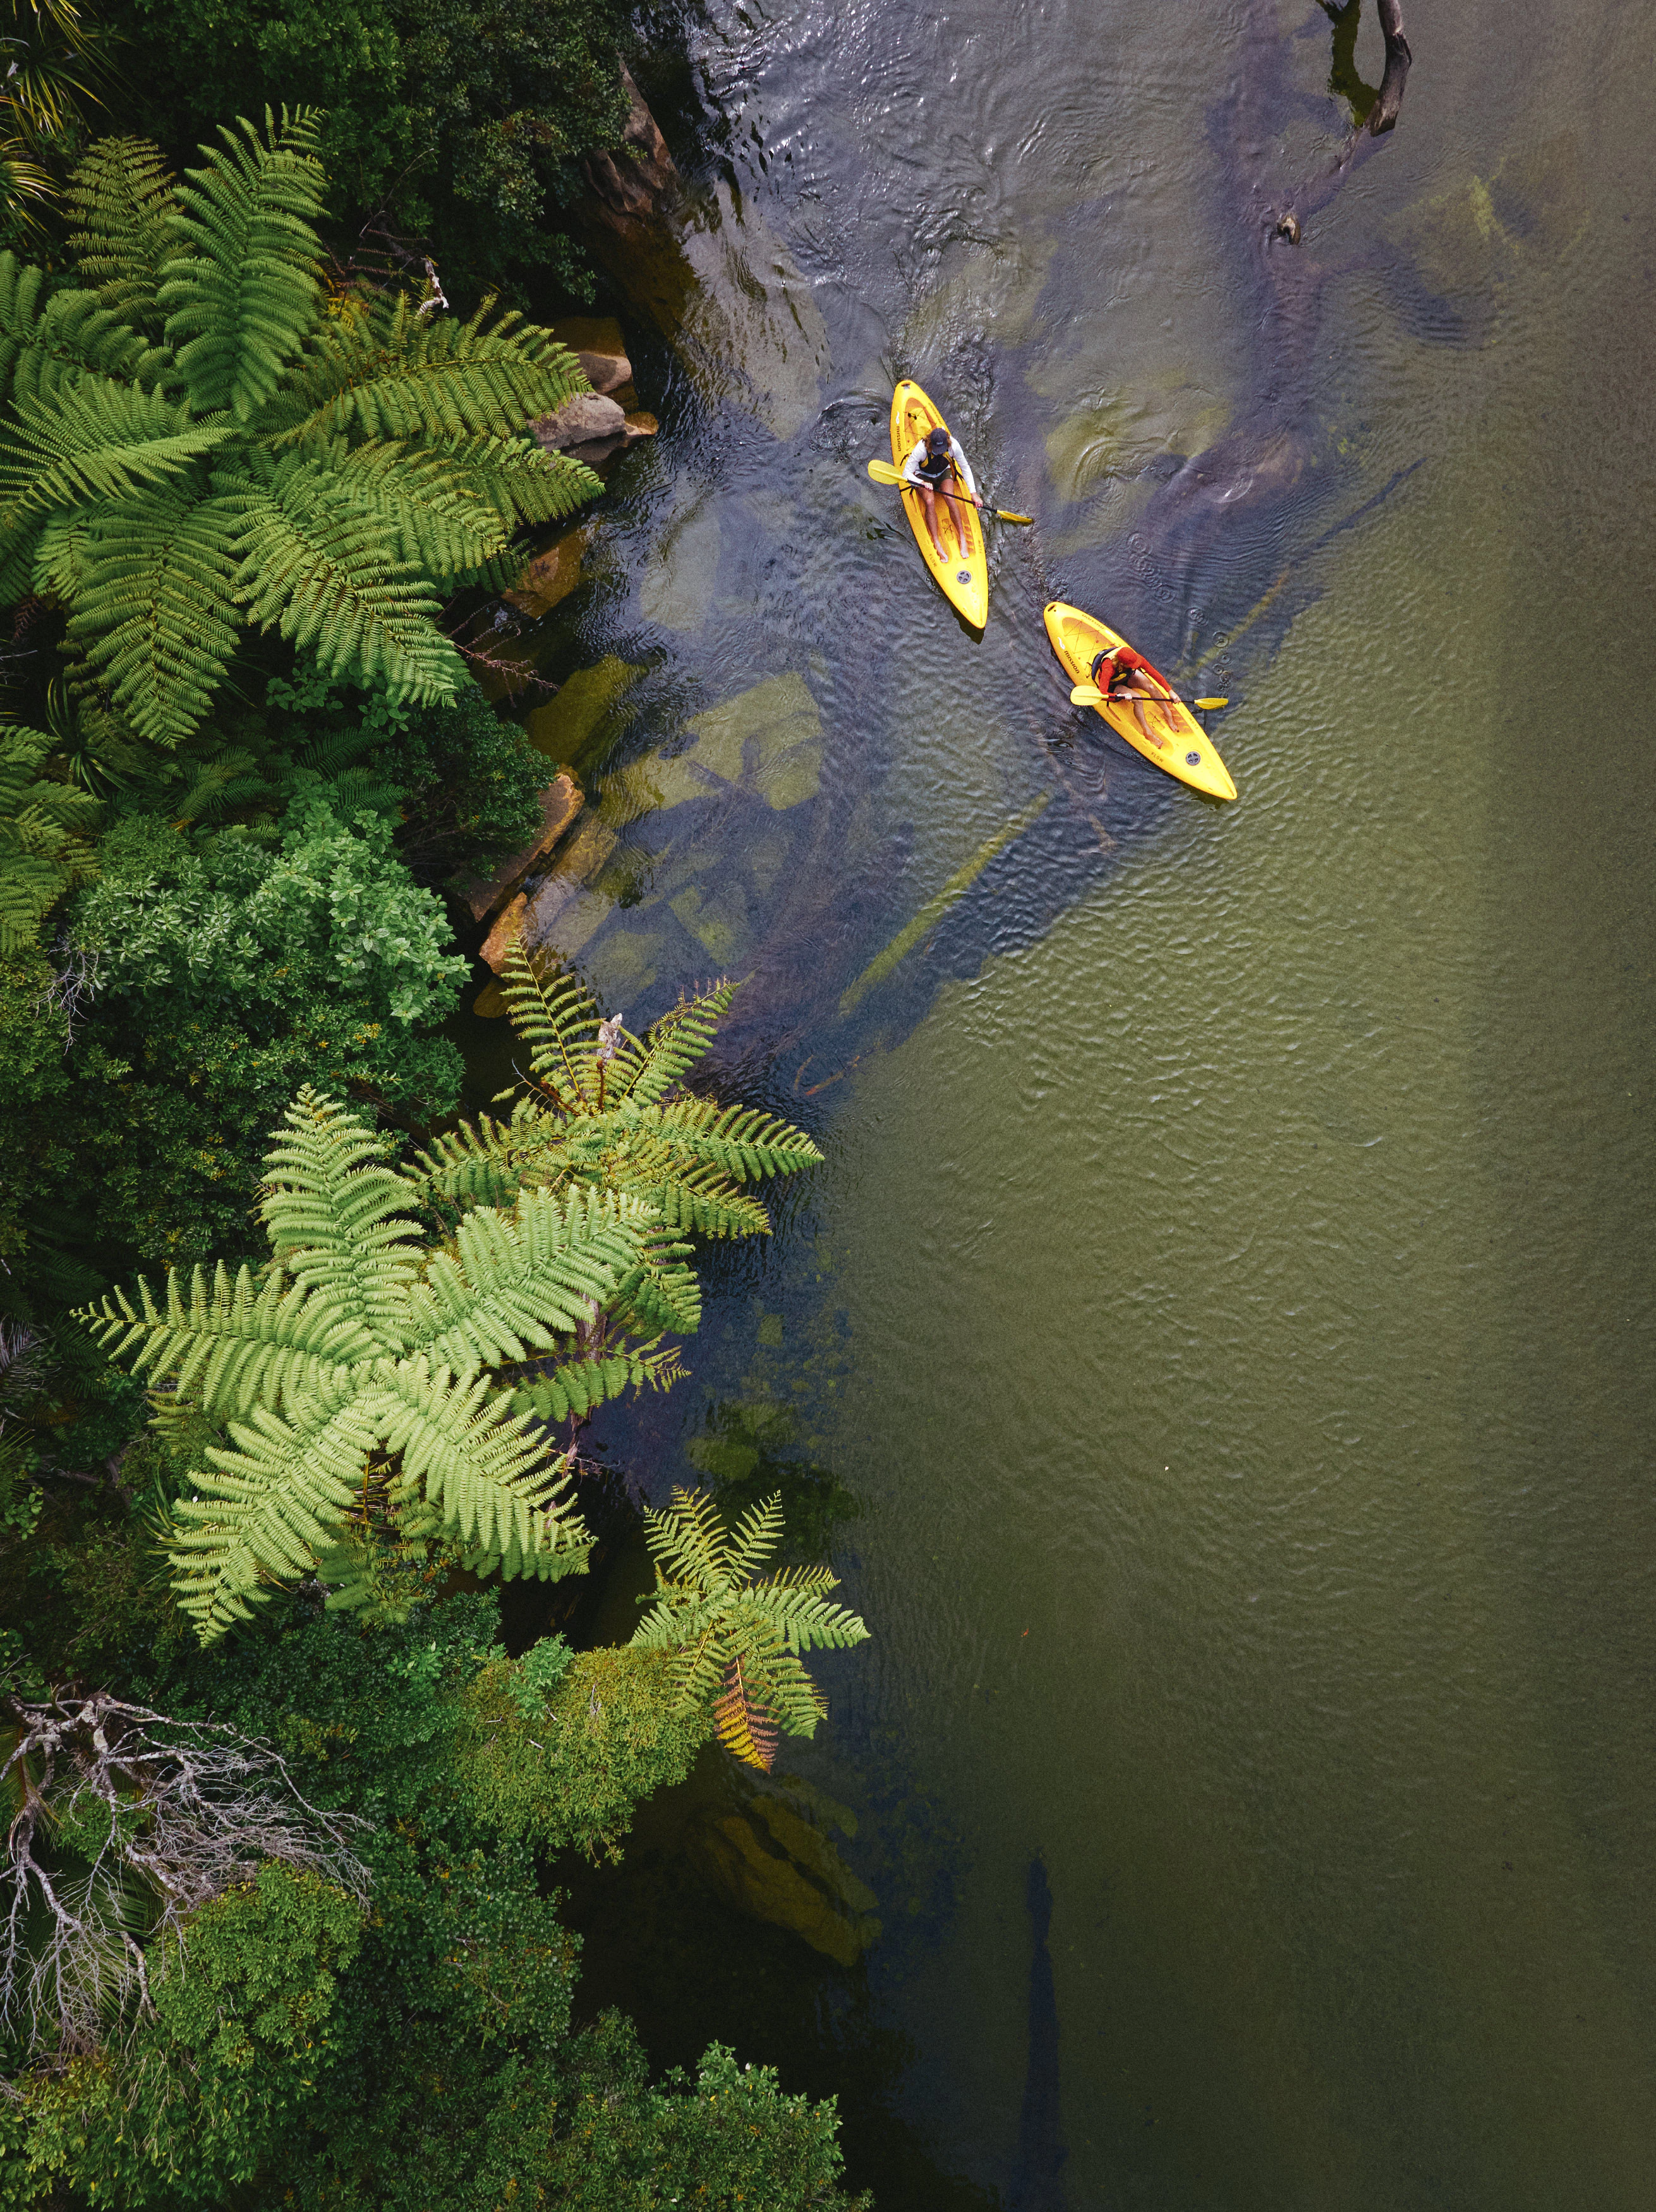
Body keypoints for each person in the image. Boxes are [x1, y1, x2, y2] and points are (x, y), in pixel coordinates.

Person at [900, 425, 982, 564]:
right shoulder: (921, 449)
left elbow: (965, 467)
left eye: (942, 449)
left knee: (950, 497)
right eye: (937, 450)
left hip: (943, 472)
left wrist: (973, 494)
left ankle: (962, 537)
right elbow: (906, 473)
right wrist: (922, 483)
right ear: (930, 444)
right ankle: (937, 542)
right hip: (923, 475)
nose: (939, 452)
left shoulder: (954, 445)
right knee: (930, 502)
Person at [1090, 643, 1181, 748]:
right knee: (1138, 699)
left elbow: (1154, 673)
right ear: (1122, 664)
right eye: (1133, 665)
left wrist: (1170, 691)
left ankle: (1167, 713)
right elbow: (1102, 694)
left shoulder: (1135, 657)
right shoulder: (1108, 667)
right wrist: (1120, 696)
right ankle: (1147, 732)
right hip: (1113, 686)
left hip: (1126, 677)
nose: (1137, 664)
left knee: (1151, 687)